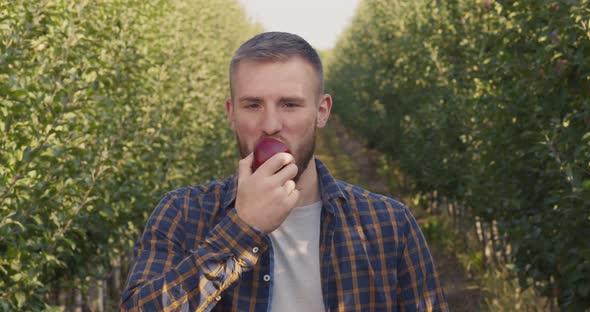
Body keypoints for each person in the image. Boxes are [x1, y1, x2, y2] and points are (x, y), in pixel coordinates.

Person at [121, 31, 448, 311]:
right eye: (253, 105)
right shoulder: (182, 213)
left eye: (290, 104)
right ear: (231, 114)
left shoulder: (389, 226)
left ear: (321, 112)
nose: (271, 125)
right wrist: (243, 228)